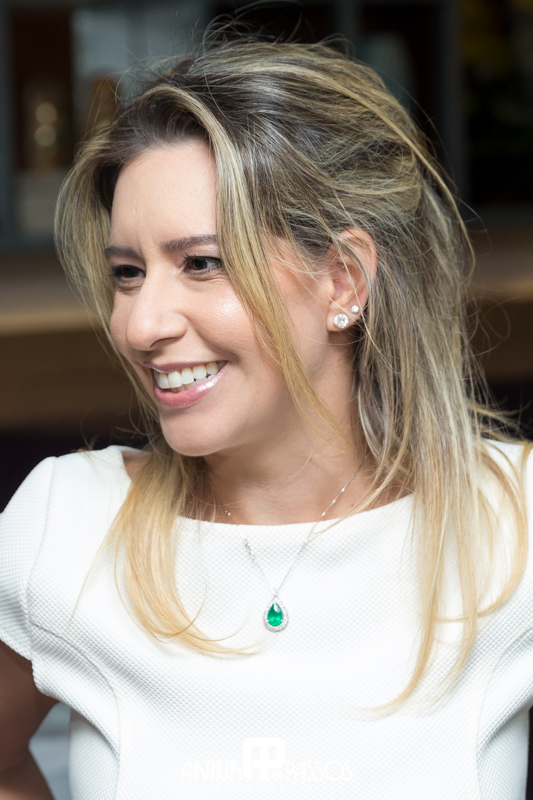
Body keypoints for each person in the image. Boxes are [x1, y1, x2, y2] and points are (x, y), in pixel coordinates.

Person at [0, 31, 532, 800]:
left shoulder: (512, 525)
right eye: (128, 273)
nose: (142, 324)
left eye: (201, 264)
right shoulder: (69, 524)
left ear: (341, 280)